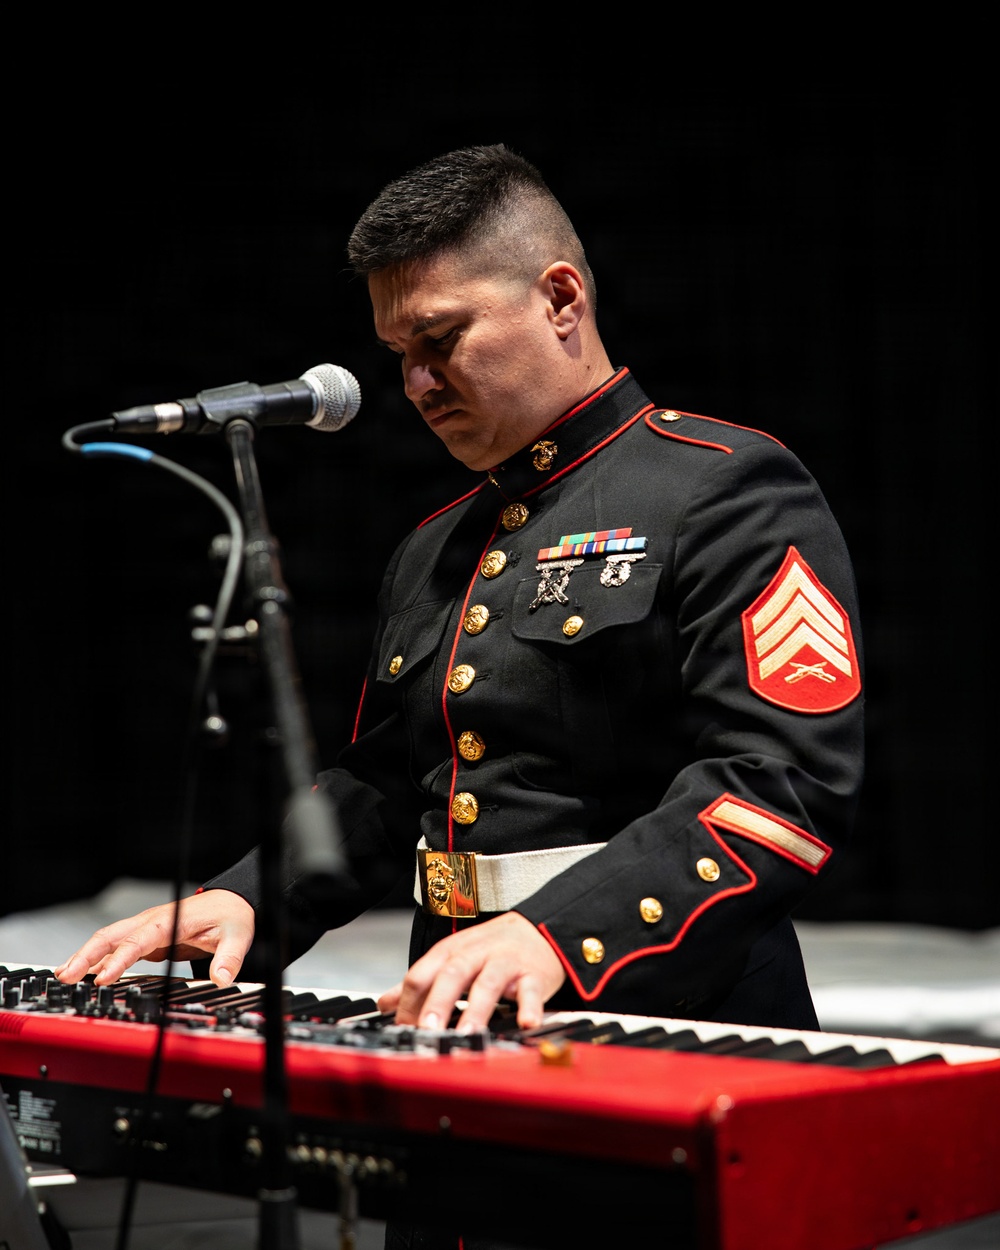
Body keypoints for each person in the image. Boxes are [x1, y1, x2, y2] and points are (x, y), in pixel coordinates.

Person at [56, 143, 864, 1042]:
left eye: (440, 341)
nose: (415, 385)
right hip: (455, 1011)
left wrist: (559, 934)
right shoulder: (435, 544)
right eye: (399, 354)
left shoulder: (723, 486)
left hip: (673, 1013)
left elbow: (780, 783)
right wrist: (249, 898)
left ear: (561, 299)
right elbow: (391, 779)